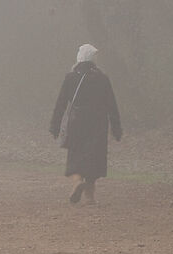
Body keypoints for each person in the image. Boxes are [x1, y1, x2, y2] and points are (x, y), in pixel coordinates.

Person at [49, 42, 122, 204]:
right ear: (93, 59)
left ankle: (77, 182)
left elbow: (61, 103)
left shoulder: (71, 77)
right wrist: (116, 128)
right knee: (94, 158)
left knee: (75, 156)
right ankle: (90, 197)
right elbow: (112, 105)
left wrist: (54, 125)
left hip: (77, 122)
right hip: (97, 123)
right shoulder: (102, 78)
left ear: (79, 58)